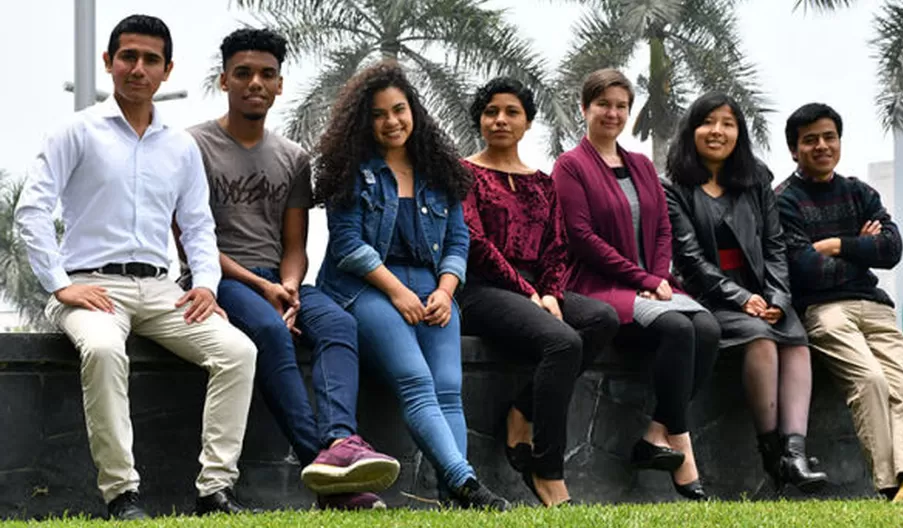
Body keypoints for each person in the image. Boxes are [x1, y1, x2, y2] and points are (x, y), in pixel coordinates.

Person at [14, 15, 259, 520]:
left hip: (163, 290)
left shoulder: (180, 146)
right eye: (128, 57)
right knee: (103, 348)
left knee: (238, 351)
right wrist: (60, 285)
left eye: (151, 60)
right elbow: (32, 212)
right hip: (90, 285)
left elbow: (197, 226)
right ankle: (121, 494)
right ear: (109, 63)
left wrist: (207, 285)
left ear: (167, 70)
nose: (138, 69)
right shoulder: (75, 132)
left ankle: (215, 491)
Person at [179, 28, 400, 511]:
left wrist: (290, 287)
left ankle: (343, 439)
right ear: (224, 81)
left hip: (279, 279)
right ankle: (326, 470)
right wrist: (262, 286)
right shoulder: (192, 146)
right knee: (270, 334)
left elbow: (295, 243)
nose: (254, 82)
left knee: (340, 323)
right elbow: (190, 239)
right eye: (243, 73)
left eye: (266, 74)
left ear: (279, 85)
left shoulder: (293, 157)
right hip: (219, 279)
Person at [313, 61, 510, 510]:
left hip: (431, 287)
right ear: (365, 121)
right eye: (379, 114)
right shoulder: (352, 170)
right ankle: (466, 481)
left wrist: (444, 290)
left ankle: (454, 494)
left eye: (399, 110)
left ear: (413, 111)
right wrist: (397, 292)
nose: (391, 122)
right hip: (364, 287)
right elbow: (347, 245)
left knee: (448, 387)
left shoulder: (441, 171)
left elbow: (459, 241)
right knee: (417, 380)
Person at [552, 68, 721, 500]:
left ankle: (655, 432)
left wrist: (658, 276)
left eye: (621, 106)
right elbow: (581, 237)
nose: (612, 113)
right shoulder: (570, 166)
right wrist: (643, 279)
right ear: (585, 108)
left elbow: (664, 228)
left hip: (654, 285)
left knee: (708, 328)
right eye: (603, 104)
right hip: (601, 285)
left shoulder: (643, 165)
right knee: (678, 329)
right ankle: (681, 442)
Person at [457, 78, 619, 507]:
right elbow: (475, 243)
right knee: (563, 341)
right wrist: (528, 291)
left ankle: (523, 410)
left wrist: (548, 292)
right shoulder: (463, 174)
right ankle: (546, 471)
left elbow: (558, 247)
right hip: (481, 288)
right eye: (492, 111)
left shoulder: (543, 183)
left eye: (512, 112)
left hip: (535, 289)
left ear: (528, 122)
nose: (500, 120)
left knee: (602, 319)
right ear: (480, 120)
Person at [663, 92, 828, 493]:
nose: (717, 131)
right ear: (692, 129)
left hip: (764, 294)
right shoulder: (673, 186)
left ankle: (795, 453)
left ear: (740, 133)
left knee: (795, 341)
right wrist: (740, 298)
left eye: (728, 123)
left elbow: (775, 245)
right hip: (711, 298)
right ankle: (772, 451)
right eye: (708, 122)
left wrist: (778, 298)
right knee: (761, 343)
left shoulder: (756, 179)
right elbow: (689, 258)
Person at [776, 103, 903, 503]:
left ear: (839, 142)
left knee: (902, 385)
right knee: (870, 380)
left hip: (875, 306)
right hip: (824, 311)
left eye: (829, 137)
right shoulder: (784, 201)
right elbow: (806, 270)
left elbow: (892, 248)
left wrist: (836, 246)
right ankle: (889, 484)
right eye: (810, 139)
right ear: (794, 149)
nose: (822, 146)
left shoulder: (859, 192)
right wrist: (863, 250)